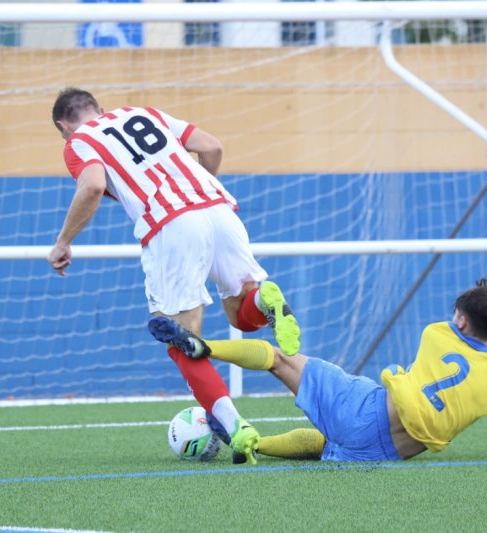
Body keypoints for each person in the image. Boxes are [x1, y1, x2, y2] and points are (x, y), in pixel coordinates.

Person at [48, 88, 300, 465]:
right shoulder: (144, 112)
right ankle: (265, 299)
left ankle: (236, 428)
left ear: (62, 127)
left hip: (172, 224)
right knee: (240, 314)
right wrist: (196, 197)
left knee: (181, 341)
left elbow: (93, 185)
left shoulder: (80, 141)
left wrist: (63, 242)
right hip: (218, 208)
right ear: (99, 107)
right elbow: (211, 147)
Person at [148, 278, 487, 462]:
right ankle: (254, 446)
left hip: (368, 406)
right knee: (323, 445)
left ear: (459, 320)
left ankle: (206, 346)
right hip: (381, 453)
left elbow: (459, 357)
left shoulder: (436, 332)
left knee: (281, 358)